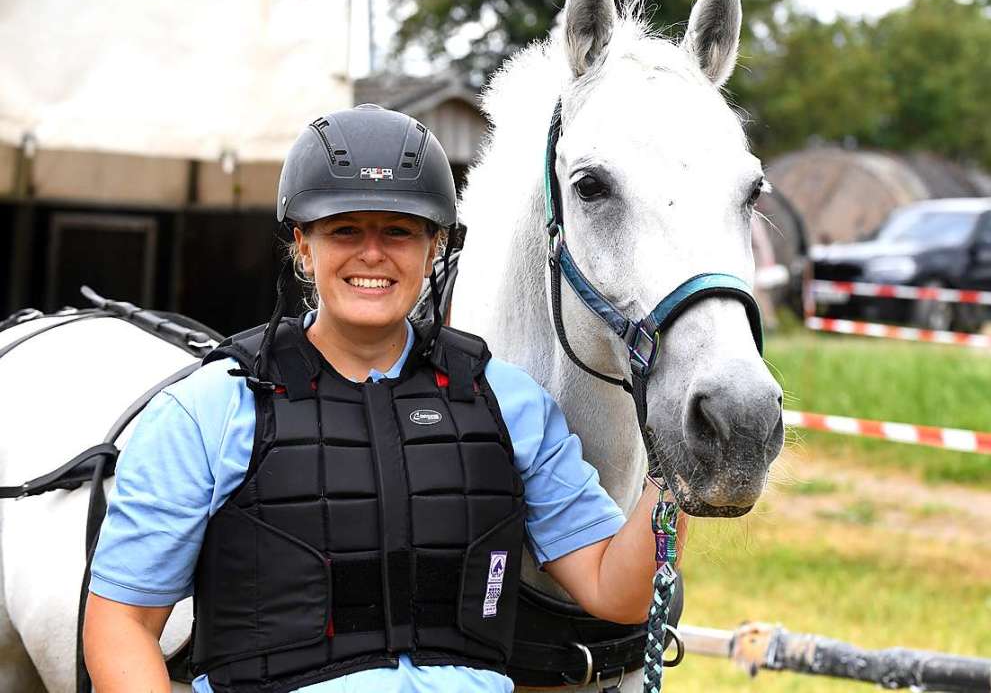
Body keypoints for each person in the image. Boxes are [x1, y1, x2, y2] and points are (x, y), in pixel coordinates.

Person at [83, 104, 686, 693]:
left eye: (398, 230)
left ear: (435, 247)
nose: (372, 254)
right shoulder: (206, 411)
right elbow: (122, 624)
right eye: (345, 229)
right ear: (302, 244)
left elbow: (619, 591)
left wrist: (676, 471)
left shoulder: (509, 404)